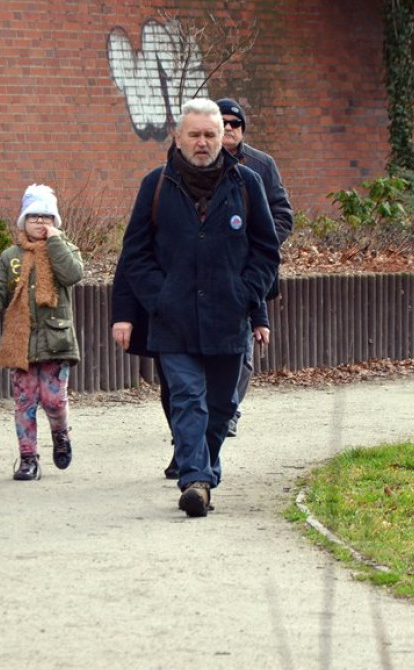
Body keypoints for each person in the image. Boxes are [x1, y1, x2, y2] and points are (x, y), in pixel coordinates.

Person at [118, 98, 280, 517]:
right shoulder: (155, 185)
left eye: (211, 134)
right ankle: (195, 481)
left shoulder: (247, 184)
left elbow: (266, 249)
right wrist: (160, 297)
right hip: (174, 320)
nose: (204, 142)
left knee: (222, 406)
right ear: (178, 137)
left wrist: (247, 294)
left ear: (222, 138)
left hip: (229, 317)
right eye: (196, 135)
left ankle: (203, 469)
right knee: (188, 398)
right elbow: (135, 253)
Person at [0, 184, 84, 481]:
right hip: (21, 342)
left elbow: (72, 275)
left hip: (56, 340)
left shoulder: (66, 249)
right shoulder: (10, 257)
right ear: (23, 220)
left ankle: (61, 434)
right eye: (34, 216)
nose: (40, 222)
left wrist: (56, 242)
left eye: (47, 217)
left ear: (55, 221)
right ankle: (28, 458)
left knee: (54, 401)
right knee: (25, 402)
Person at [215, 98, 294, 437]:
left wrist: (258, 245)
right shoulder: (196, 165)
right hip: (208, 271)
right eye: (224, 122)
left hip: (249, 273)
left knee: (244, 349)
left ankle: (229, 408)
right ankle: (206, 409)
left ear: (243, 129)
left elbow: (283, 214)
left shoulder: (262, 165)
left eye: (236, 123)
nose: (229, 128)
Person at [110, 255, 175, 478]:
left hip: (215, 312)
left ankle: (202, 448)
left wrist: (257, 315)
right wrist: (122, 315)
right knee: (174, 385)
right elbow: (131, 260)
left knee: (217, 395)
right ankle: (186, 449)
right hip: (166, 313)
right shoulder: (153, 219)